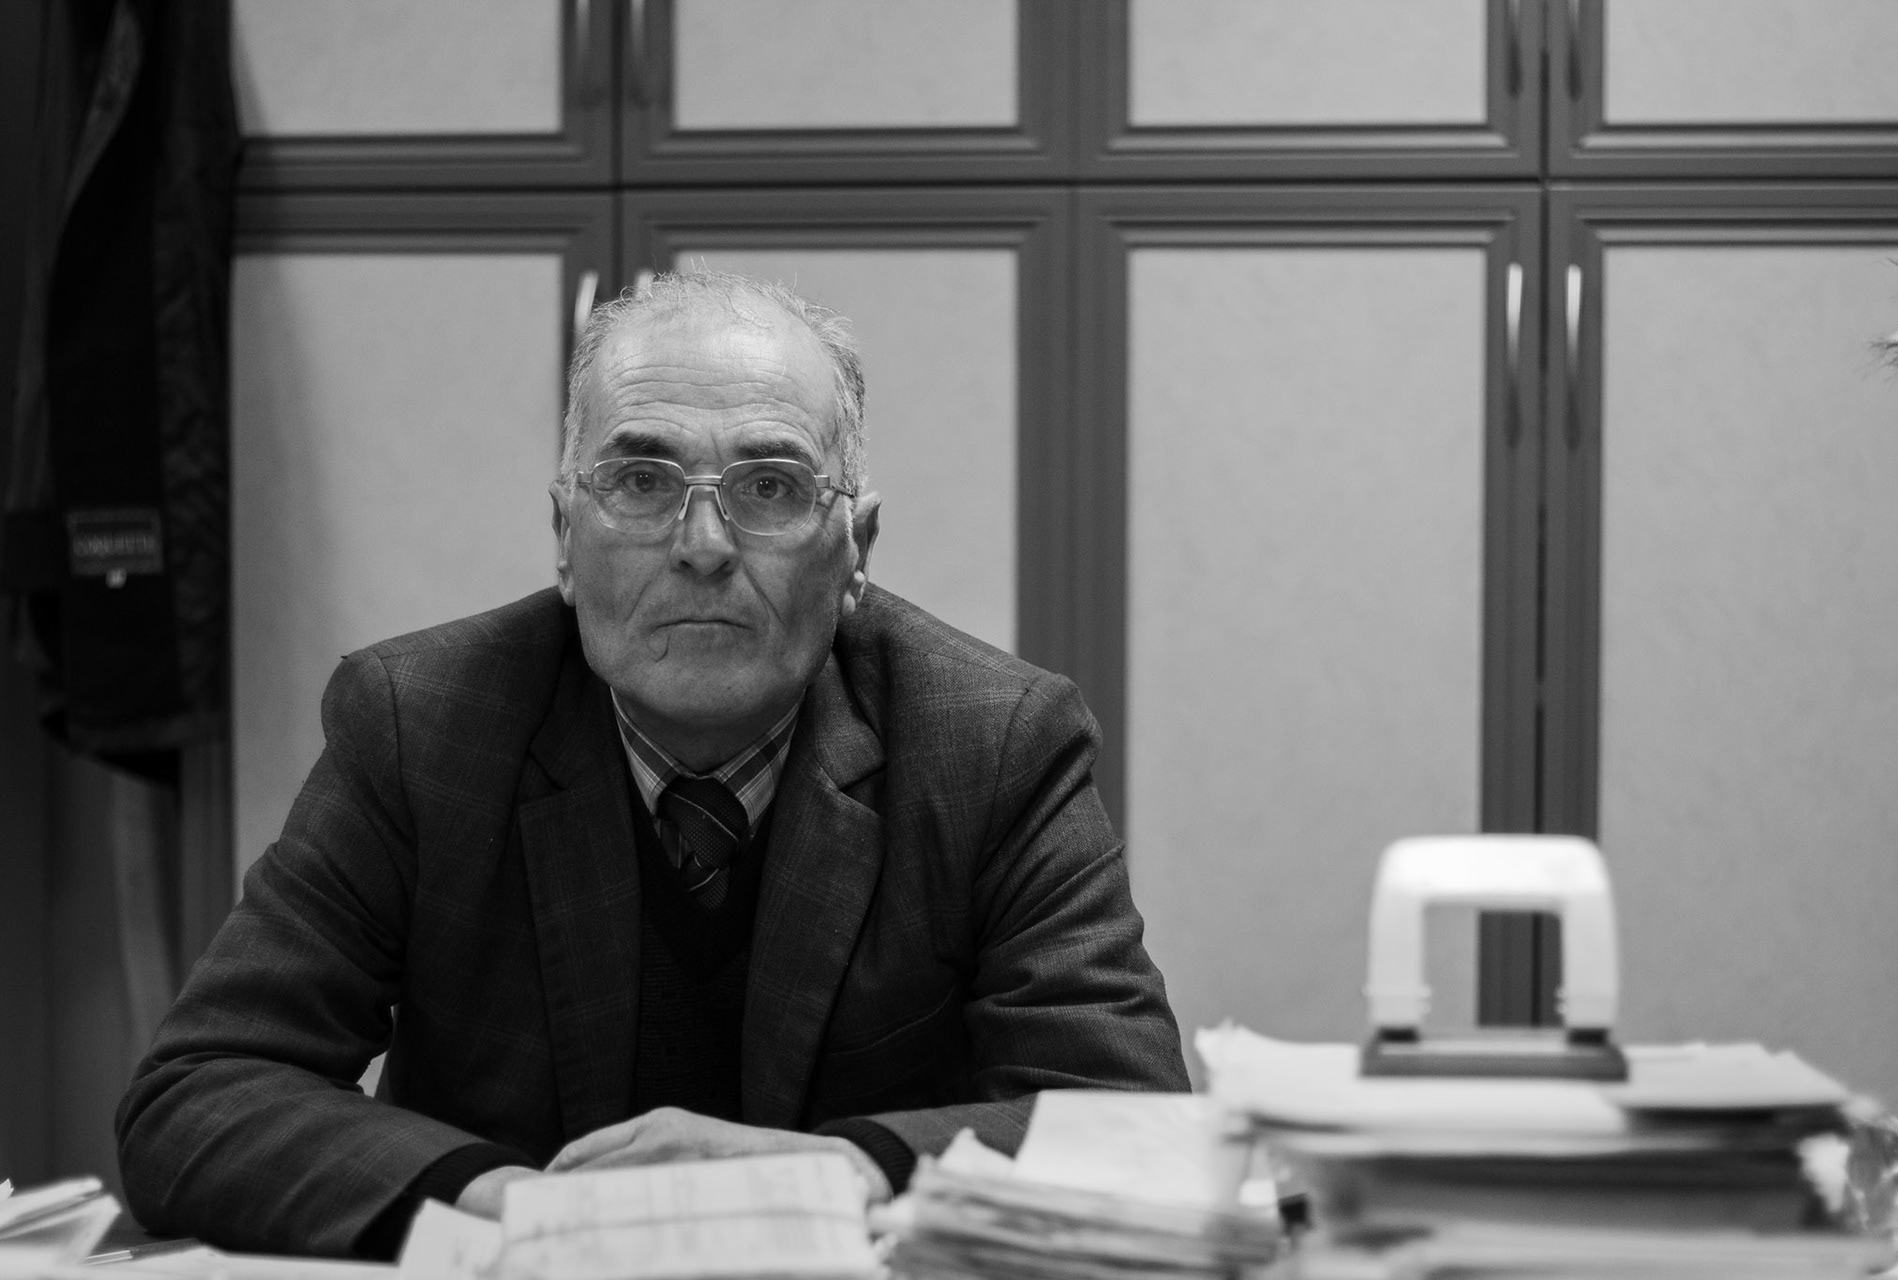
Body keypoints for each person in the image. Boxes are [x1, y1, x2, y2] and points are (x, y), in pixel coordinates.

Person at [115, 270, 1187, 1258]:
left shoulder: (994, 742)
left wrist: (835, 1170)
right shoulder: (422, 726)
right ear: (564, 537)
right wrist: (506, 1201)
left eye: (769, 486)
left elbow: (1134, 1124)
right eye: (640, 479)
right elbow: (199, 1094)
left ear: (856, 549)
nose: (703, 544)